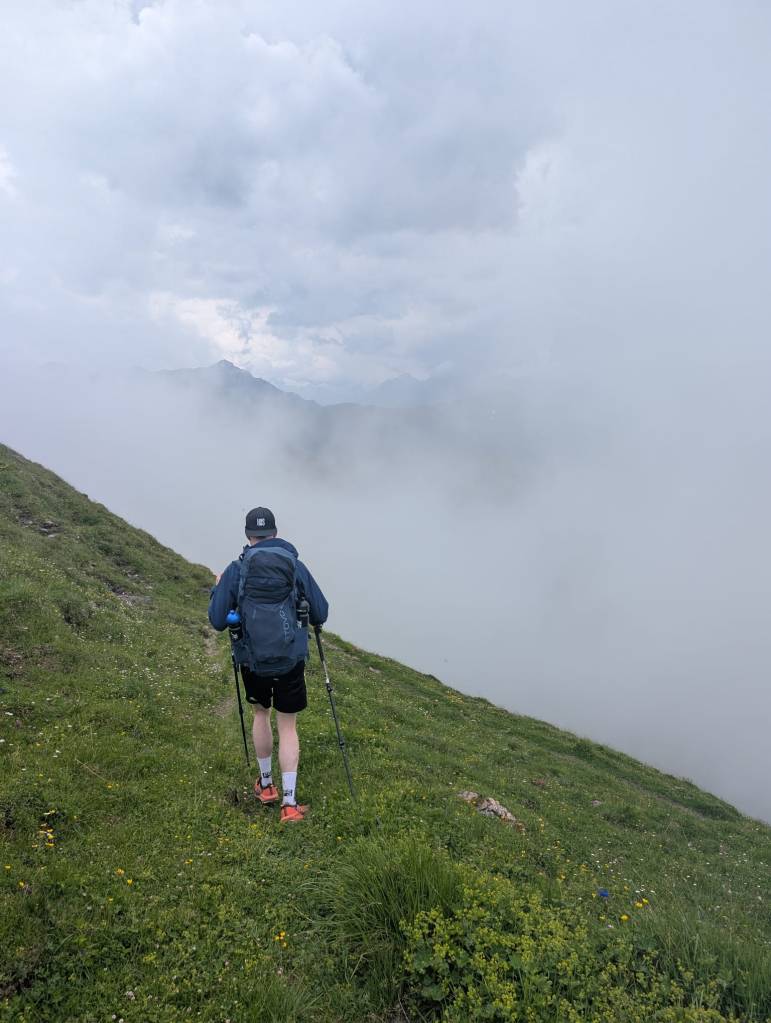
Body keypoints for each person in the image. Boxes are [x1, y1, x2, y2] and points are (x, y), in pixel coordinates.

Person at [208, 507, 328, 823]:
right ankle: (289, 804)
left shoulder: (237, 569)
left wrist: (218, 587)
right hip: (290, 660)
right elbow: (321, 612)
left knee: (261, 714)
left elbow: (217, 620)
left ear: (249, 535)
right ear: (275, 533)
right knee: (288, 725)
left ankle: (266, 785)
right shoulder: (295, 566)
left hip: (253, 659)